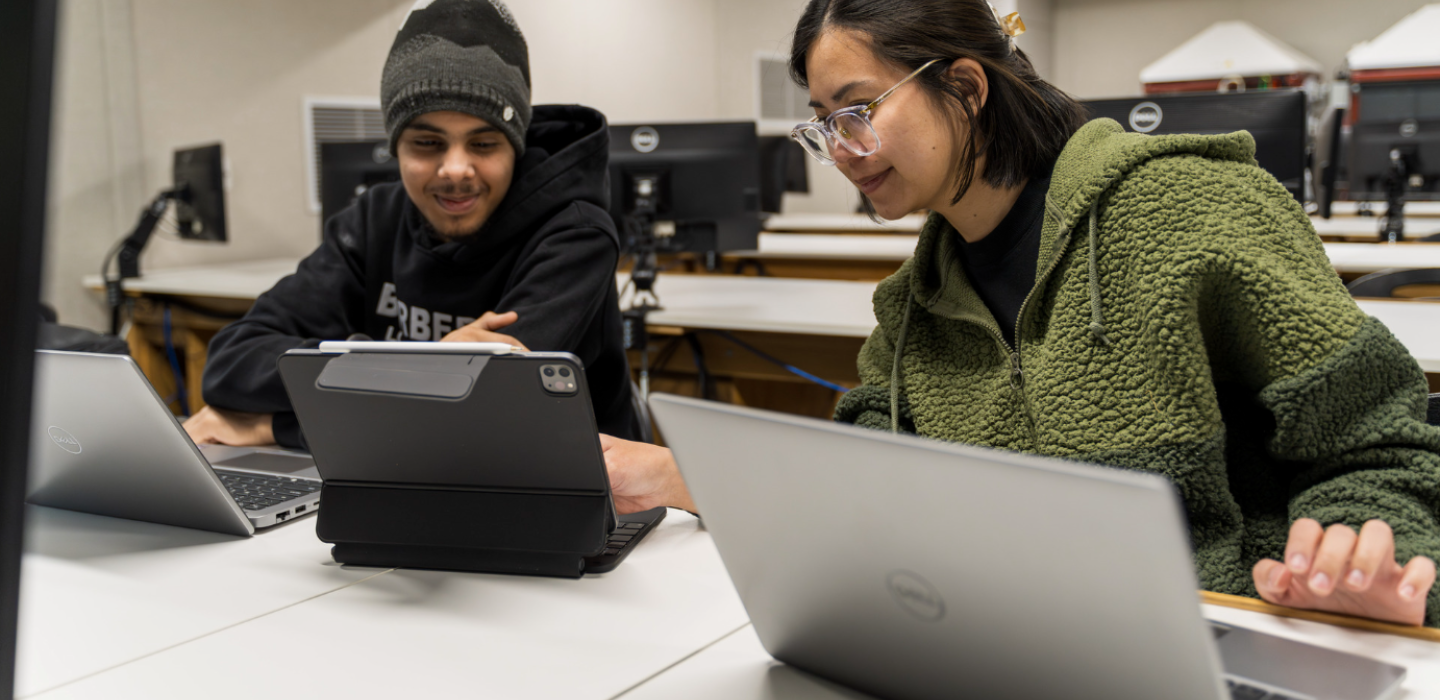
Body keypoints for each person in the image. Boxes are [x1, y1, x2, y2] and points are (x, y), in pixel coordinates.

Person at [601, 0, 1440, 627]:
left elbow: (1383, 449)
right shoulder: (915, 304)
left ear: (965, 88)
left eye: (858, 111)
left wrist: (1367, 556)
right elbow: (865, 486)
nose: (842, 151)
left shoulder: (1196, 212)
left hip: (1223, 626)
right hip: (1006, 638)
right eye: (823, 126)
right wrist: (690, 477)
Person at [184, 0, 640, 448]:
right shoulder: (374, 219)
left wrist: (275, 427)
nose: (456, 170)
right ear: (395, 148)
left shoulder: (575, 235)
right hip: (390, 474)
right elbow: (232, 362)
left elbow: (476, 419)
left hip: (564, 483)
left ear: (514, 149)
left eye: (483, 144)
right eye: (427, 143)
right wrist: (426, 368)